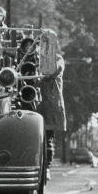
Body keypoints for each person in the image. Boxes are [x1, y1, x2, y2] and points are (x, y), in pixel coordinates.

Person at [37, 29, 67, 179]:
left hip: (50, 103)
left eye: (49, 44)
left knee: (48, 137)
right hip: (35, 101)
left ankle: (47, 166)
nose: (46, 47)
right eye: (44, 43)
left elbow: (56, 70)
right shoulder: (35, 58)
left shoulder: (58, 59)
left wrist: (41, 75)